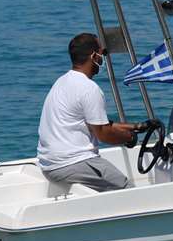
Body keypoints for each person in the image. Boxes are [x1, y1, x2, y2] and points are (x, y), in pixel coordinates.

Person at [37, 32, 151, 192]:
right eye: (102, 53)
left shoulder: (62, 82)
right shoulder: (89, 89)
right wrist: (129, 137)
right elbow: (103, 134)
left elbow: (95, 124)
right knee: (128, 190)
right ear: (93, 56)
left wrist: (134, 126)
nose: (102, 58)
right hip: (71, 163)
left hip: (50, 164)